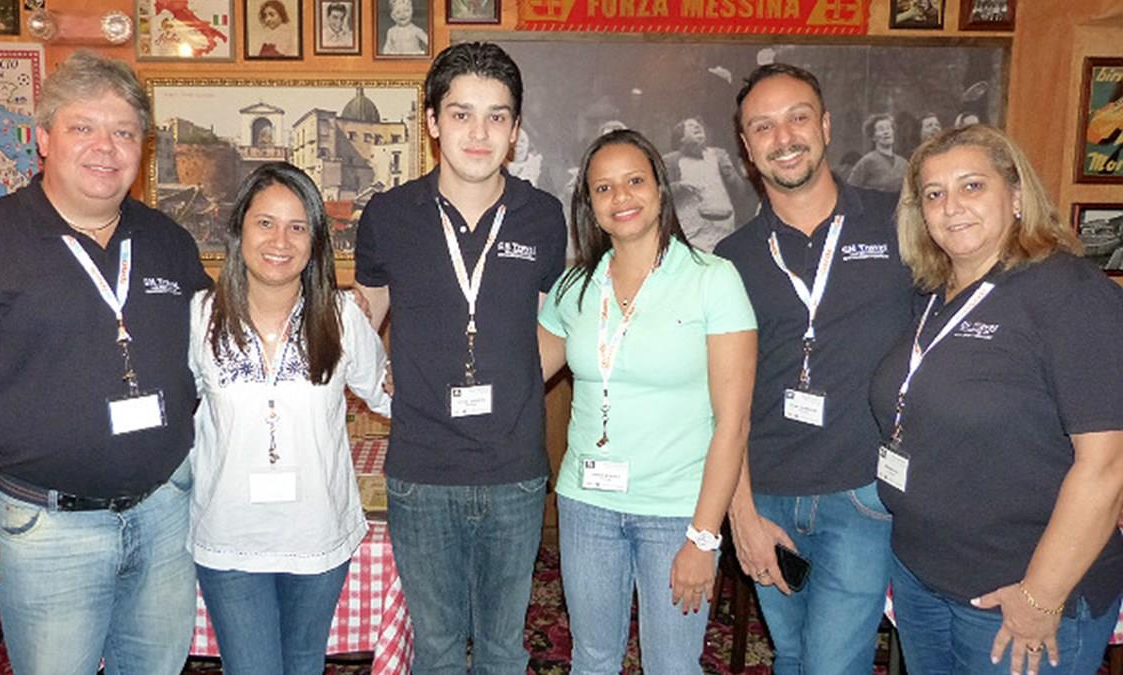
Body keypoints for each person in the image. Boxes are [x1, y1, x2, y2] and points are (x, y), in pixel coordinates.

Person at [0, 50, 210, 675]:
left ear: (142, 149)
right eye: (83, 126)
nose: (105, 146)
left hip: (166, 514)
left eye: (124, 132)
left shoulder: (169, 241)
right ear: (45, 138)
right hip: (48, 530)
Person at [870, 124, 1123, 675]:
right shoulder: (933, 296)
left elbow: (1106, 467)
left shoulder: (1071, 294)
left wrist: (1040, 596)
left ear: (1016, 195)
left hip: (1019, 594)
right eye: (934, 193)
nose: (951, 206)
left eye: (972, 186)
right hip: (922, 578)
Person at [353, 42, 566, 672]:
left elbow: (558, 326)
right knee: (438, 649)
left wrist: (514, 384)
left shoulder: (543, 216)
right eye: (462, 114)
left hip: (514, 469)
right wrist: (384, 382)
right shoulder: (389, 215)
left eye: (497, 116)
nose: (479, 133)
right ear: (432, 122)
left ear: (515, 129)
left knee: (503, 648)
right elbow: (363, 320)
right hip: (421, 470)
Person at [712, 63, 916, 675]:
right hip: (767, 493)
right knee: (794, 654)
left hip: (863, 494)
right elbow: (722, 402)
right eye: (763, 126)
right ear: (746, 147)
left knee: (831, 664)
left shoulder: (900, 224)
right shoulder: (731, 259)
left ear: (825, 126)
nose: (784, 137)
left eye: (797, 117)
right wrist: (741, 514)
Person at [537, 129, 757, 673]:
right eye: (603, 188)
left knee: (673, 666)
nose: (621, 197)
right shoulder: (575, 288)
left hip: (676, 512)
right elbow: (517, 378)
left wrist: (704, 536)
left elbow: (733, 424)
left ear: (660, 188)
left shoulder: (714, 280)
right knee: (592, 661)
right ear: (589, 205)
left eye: (634, 180)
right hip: (587, 505)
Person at [188, 162, 390, 675]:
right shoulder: (199, 317)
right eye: (265, 223)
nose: (280, 240)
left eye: (297, 226)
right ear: (239, 230)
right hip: (231, 539)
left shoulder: (342, 318)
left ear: (315, 240)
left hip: (317, 536)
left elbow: (389, 395)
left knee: (303, 664)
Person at [662, 116, 752, 252]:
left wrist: (731, 174)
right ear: (681, 138)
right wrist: (679, 186)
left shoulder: (718, 155)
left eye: (698, 125)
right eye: (690, 126)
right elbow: (661, 194)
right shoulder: (671, 160)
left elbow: (739, 192)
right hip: (692, 233)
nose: (697, 126)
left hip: (724, 226)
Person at [848, 112, 909, 193]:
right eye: (881, 129)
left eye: (888, 128)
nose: (886, 132)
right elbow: (850, 190)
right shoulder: (867, 161)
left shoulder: (904, 164)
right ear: (873, 137)